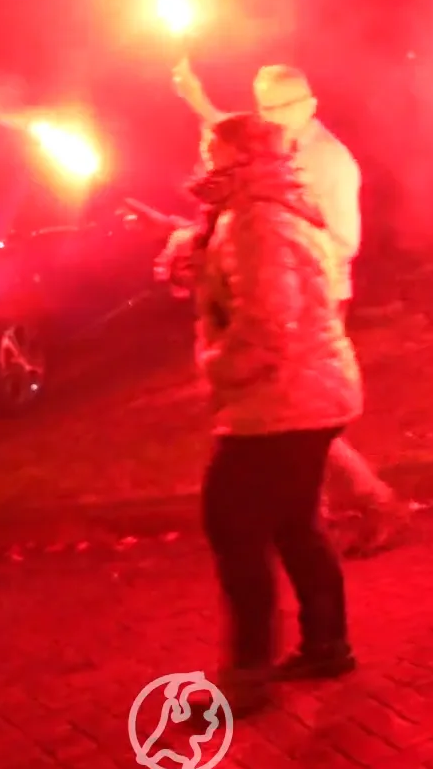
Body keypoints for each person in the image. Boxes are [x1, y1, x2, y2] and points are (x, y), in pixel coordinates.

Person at [172, 61, 410, 556]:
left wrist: (279, 248)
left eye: (277, 108)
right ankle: (313, 519)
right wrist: (196, 97)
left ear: (309, 105)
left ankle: (370, 503)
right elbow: (230, 135)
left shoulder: (330, 162)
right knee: (290, 413)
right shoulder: (278, 149)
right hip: (274, 290)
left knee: (300, 414)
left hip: (317, 296)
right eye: (261, 107)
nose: (267, 118)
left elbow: (344, 240)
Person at [183, 111, 363, 715]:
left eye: (211, 156)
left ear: (239, 161)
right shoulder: (272, 207)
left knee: (234, 524)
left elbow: (268, 323)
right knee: (292, 521)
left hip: (282, 398)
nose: (202, 167)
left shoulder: (256, 221)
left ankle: (247, 676)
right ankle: (326, 644)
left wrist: (217, 370)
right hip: (308, 392)